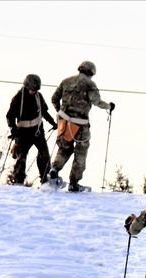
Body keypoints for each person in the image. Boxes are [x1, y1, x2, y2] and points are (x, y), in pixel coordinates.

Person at [48, 60, 114, 192]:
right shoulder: (90, 84)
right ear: (91, 73)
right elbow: (97, 102)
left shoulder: (66, 81)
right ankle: (74, 183)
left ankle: (55, 168)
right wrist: (109, 106)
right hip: (81, 124)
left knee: (64, 149)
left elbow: (54, 98)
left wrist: (60, 112)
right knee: (81, 153)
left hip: (64, 122)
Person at [5, 74, 56, 185]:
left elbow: (44, 112)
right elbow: (10, 115)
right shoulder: (18, 97)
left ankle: (45, 181)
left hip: (37, 131)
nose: (34, 92)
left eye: (36, 90)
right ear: (27, 86)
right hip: (23, 132)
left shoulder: (38, 96)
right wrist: (13, 127)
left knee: (44, 155)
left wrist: (53, 122)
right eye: (32, 89)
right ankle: (18, 181)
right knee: (21, 158)